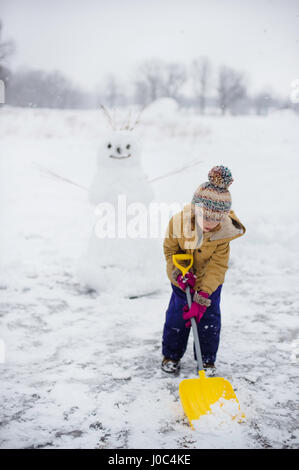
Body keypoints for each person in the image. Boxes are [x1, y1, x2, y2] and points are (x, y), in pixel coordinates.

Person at [161, 165, 246, 374]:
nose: (210, 223)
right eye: (205, 217)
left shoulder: (223, 234)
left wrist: (204, 294)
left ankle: (206, 361)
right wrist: (177, 274)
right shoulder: (179, 223)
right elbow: (171, 250)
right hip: (182, 280)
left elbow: (217, 266)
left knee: (209, 323)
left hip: (209, 285)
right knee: (177, 319)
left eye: (216, 218)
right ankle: (171, 355)